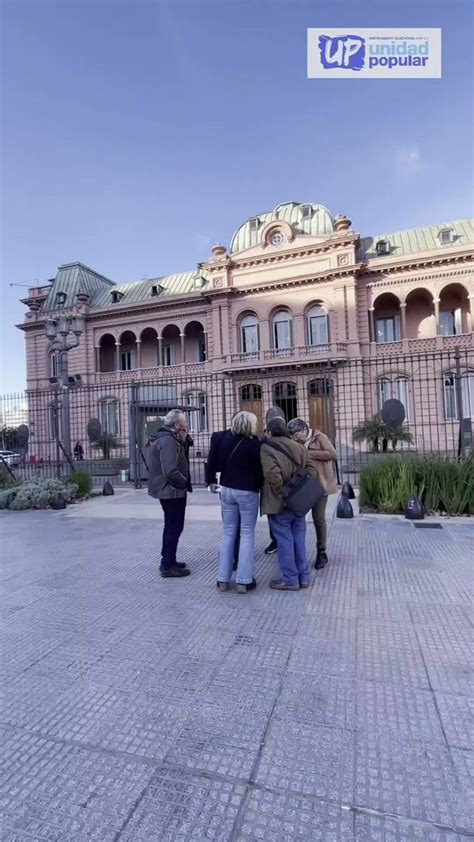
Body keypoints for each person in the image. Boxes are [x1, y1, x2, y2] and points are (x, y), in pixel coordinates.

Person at [211, 411, 263, 593]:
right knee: (247, 534)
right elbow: (259, 471)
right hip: (247, 491)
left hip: (226, 489)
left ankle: (222, 579)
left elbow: (215, 462)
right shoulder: (255, 444)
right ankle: (244, 580)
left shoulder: (224, 441)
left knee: (228, 533)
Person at [260, 417, 310, 591]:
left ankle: (290, 578)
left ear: (269, 431)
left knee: (284, 540)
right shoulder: (299, 447)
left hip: (280, 502)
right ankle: (303, 576)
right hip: (299, 501)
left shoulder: (267, 447)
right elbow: (310, 470)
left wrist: (284, 493)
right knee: (299, 539)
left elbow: (272, 475)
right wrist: (298, 491)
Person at [288, 418, 337, 569]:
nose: (295, 439)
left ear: (304, 430)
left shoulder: (319, 437)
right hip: (303, 486)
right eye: (292, 437)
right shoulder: (296, 442)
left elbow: (332, 454)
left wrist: (310, 454)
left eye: (296, 436)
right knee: (297, 518)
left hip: (320, 486)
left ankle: (321, 552)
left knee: (319, 519)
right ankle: (296, 553)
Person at [147, 409, 192, 579]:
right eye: (184, 422)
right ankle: (167, 565)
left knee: (172, 526)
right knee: (174, 527)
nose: (186, 425)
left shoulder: (169, 438)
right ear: (176, 424)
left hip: (169, 490)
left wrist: (184, 439)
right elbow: (170, 470)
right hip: (171, 491)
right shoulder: (168, 441)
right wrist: (183, 483)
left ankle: (169, 559)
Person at [206, 429, 241, 571]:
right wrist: (211, 480)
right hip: (228, 485)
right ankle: (235, 558)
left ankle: (233, 559)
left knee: (232, 527)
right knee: (237, 526)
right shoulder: (219, 437)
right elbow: (212, 458)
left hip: (231, 486)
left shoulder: (252, 438)